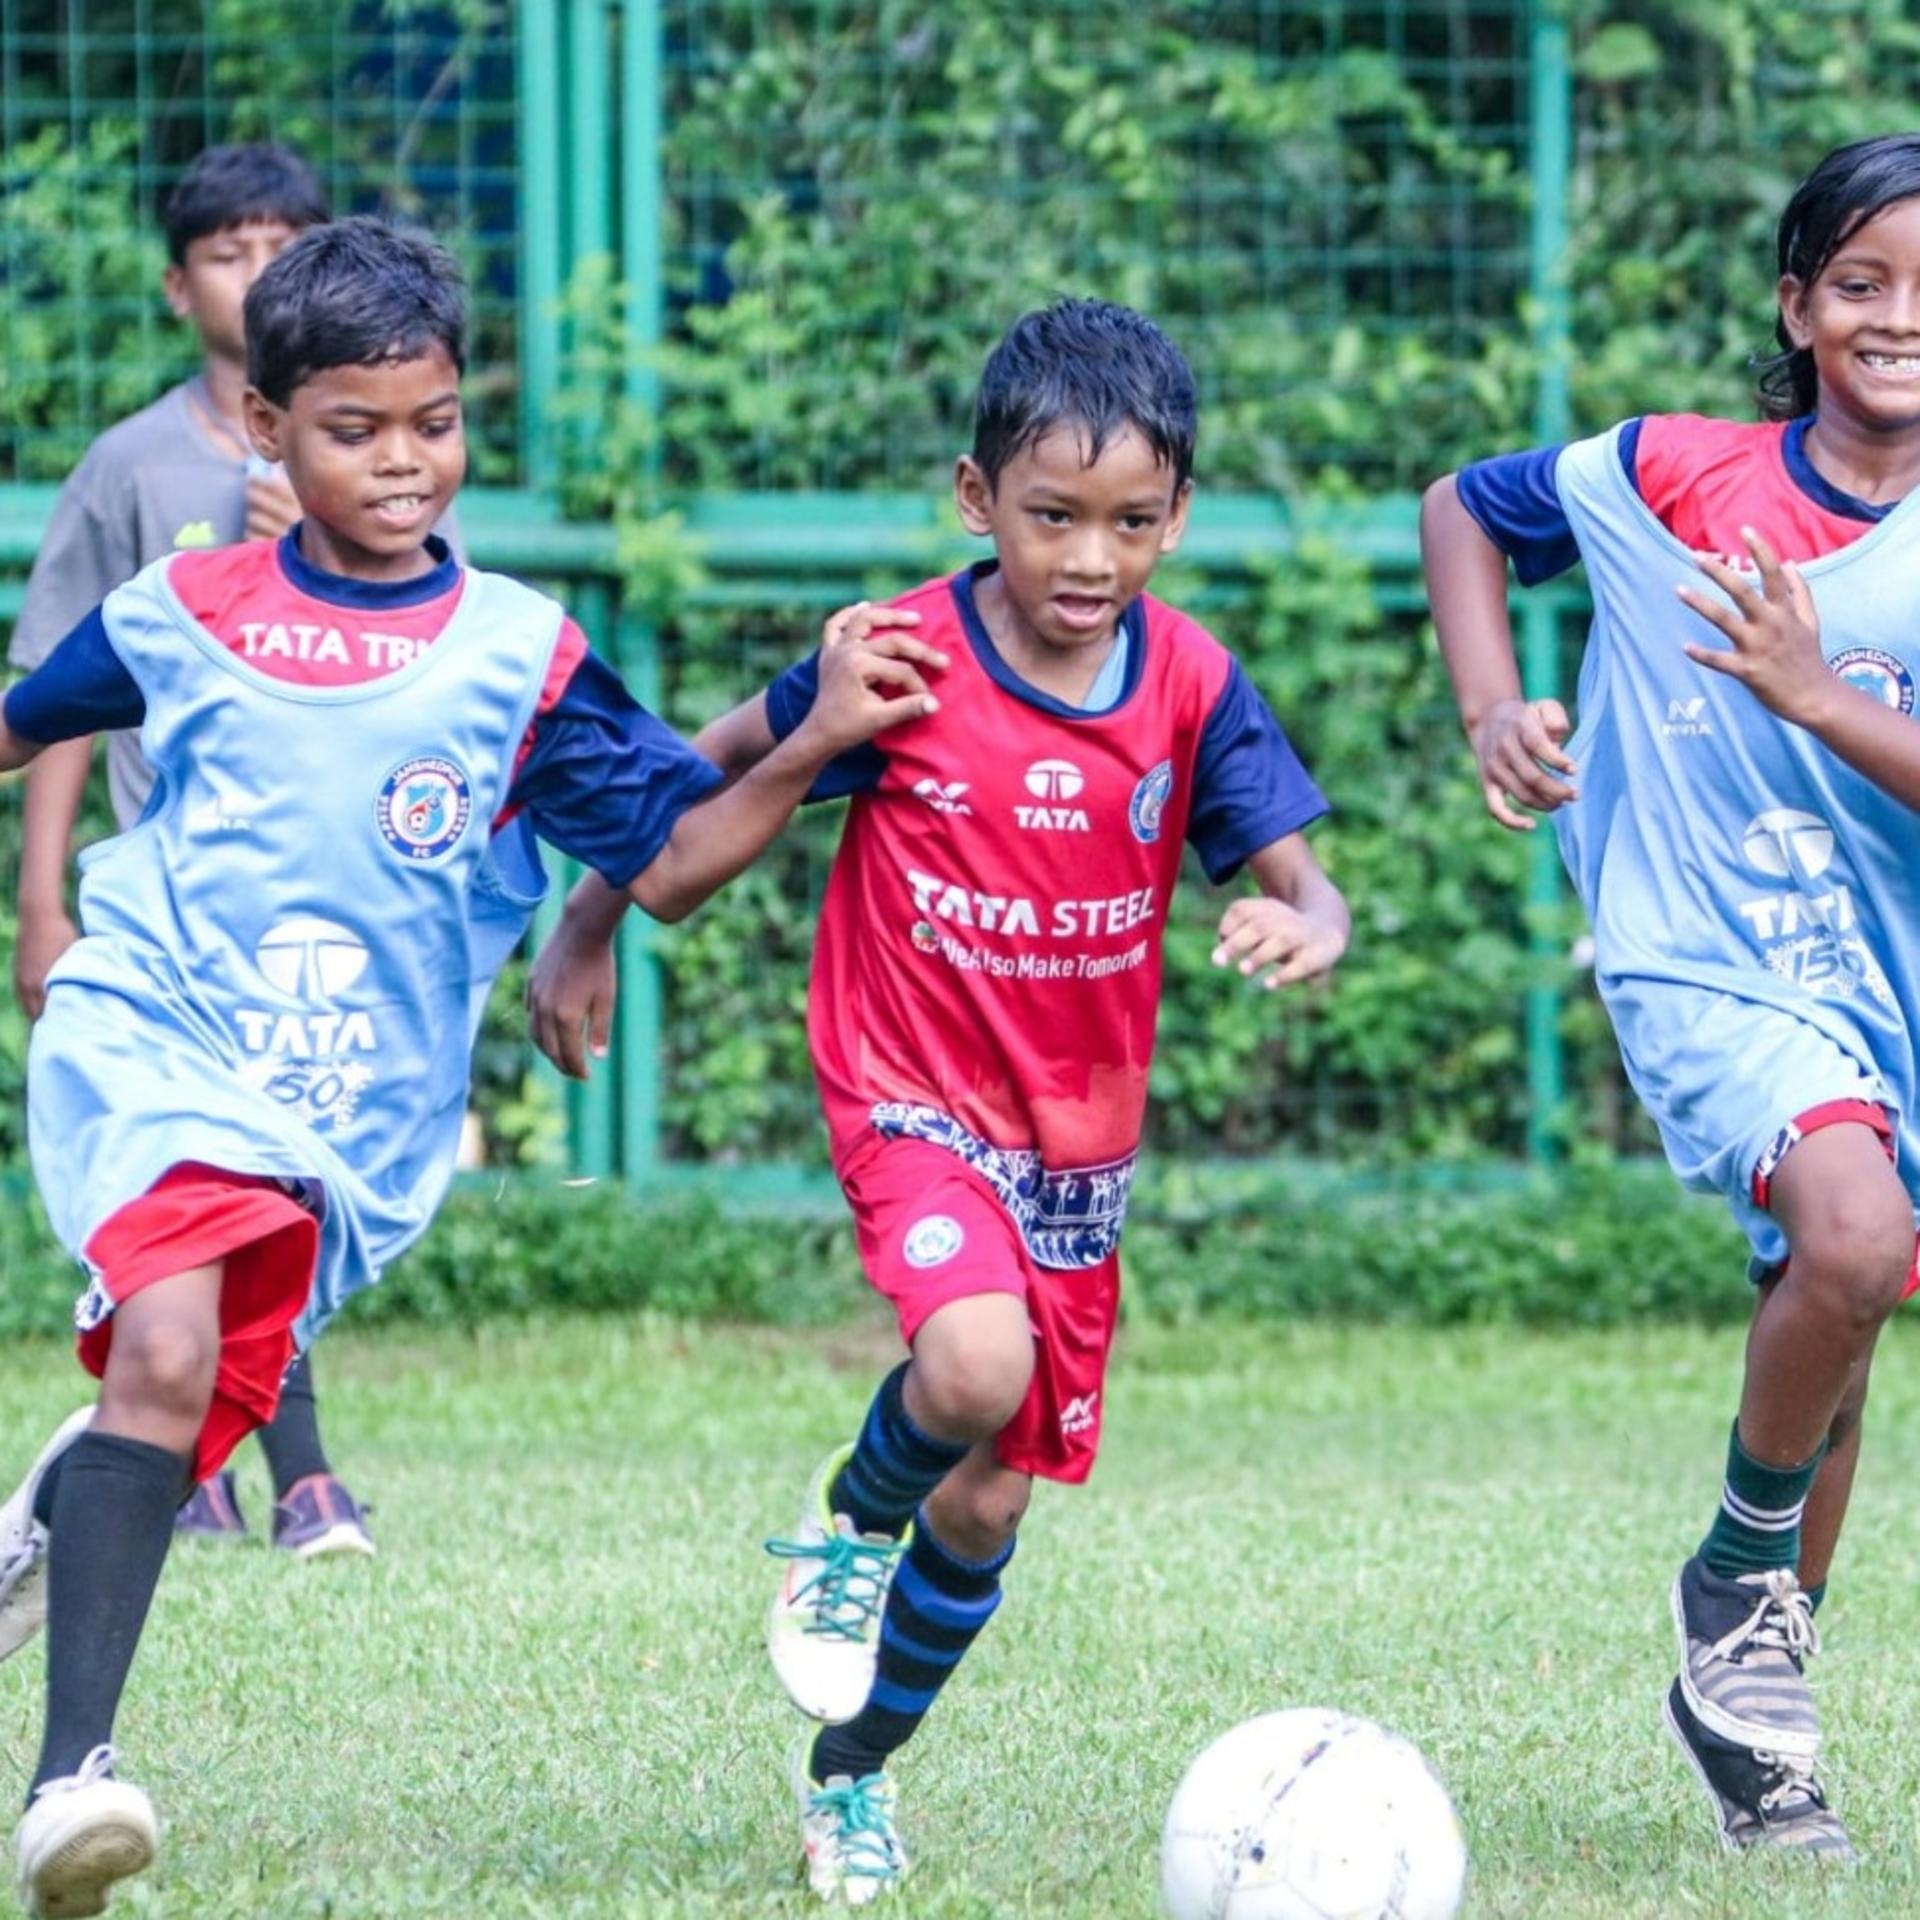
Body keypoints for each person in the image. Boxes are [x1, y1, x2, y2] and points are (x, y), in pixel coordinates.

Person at [0, 215, 942, 1920]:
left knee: (180, 1376)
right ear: (265, 430)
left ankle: (59, 1511)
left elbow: (665, 853)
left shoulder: (520, 658)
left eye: (430, 421)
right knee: (164, 1340)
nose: (402, 460)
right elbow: (19, 723)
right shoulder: (181, 610)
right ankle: (72, 1783)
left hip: (350, 1128)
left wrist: (807, 735)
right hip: (150, 1034)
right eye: (355, 429)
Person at [530, 298, 1350, 1903]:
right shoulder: (893, 657)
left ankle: (850, 1775)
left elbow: (1302, 878)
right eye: (1052, 517)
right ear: (977, 501)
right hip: (911, 1093)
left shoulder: (1188, 684)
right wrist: (589, 920)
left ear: (1177, 515)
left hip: (1078, 1144)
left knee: (982, 1503)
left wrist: (1303, 922)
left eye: (1129, 523)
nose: (1090, 559)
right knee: (968, 1373)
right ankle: (846, 1525)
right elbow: (687, 784)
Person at [1420, 132, 1920, 1861]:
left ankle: (1757, 1717)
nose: (1896, 317)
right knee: (1852, 1242)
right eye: (1861, 281)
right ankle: (1734, 1578)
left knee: (1836, 1317)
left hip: (1895, 982)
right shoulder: (1666, 475)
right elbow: (1465, 513)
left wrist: (1815, 692)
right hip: (1704, 948)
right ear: (1798, 304)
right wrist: (1496, 707)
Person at [6, 141, 385, 1556]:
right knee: (211, 1165)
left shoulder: (379, 447)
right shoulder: (131, 465)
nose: (259, 270)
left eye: (286, 241)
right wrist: (42, 904)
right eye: (229, 250)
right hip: (172, 900)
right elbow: (49, 691)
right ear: (180, 288)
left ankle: (236, 1457)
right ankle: (278, 1470)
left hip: (329, 894)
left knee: (297, 1165)